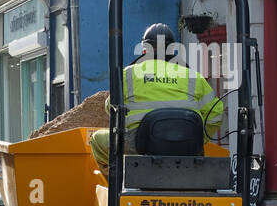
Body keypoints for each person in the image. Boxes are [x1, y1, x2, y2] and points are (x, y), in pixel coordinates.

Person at [89, 23, 223, 168]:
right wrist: (197, 138)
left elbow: (112, 108)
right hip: (186, 141)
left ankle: (119, 181)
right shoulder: (193, 76)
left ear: (144, 48)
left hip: (140, 144)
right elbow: (216, 114)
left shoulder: (128, 74)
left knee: (96, 140)